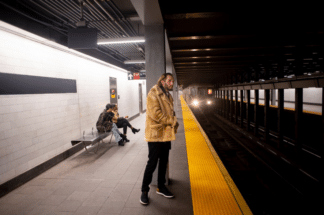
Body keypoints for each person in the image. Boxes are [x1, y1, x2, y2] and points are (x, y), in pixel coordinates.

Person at [140, 73, 179, 205]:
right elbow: (156, 114)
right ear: (162, 81)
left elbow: (170, 112)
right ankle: (144, 191)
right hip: (155, 134)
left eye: (172, 81)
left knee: (164, 161)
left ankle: (160, 186)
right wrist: (171, 121)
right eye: (169, 81)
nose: (171, 83)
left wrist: (174, 121)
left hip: (166, 134)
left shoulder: (168, 95)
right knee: (152, 163)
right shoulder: (153, 93)